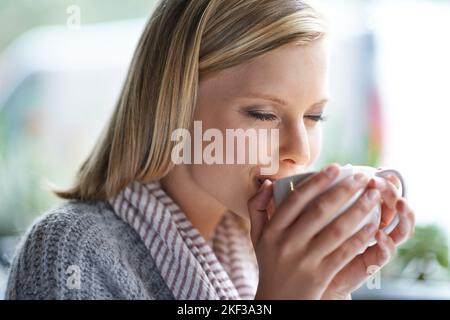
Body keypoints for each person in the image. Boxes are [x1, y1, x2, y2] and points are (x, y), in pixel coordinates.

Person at [5, 0, 415, 300]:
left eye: (314, 117)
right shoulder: (70, 250)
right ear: (174, 106)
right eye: (263, 114)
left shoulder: (257, 252)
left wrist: (325, 292)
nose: (300, 150)